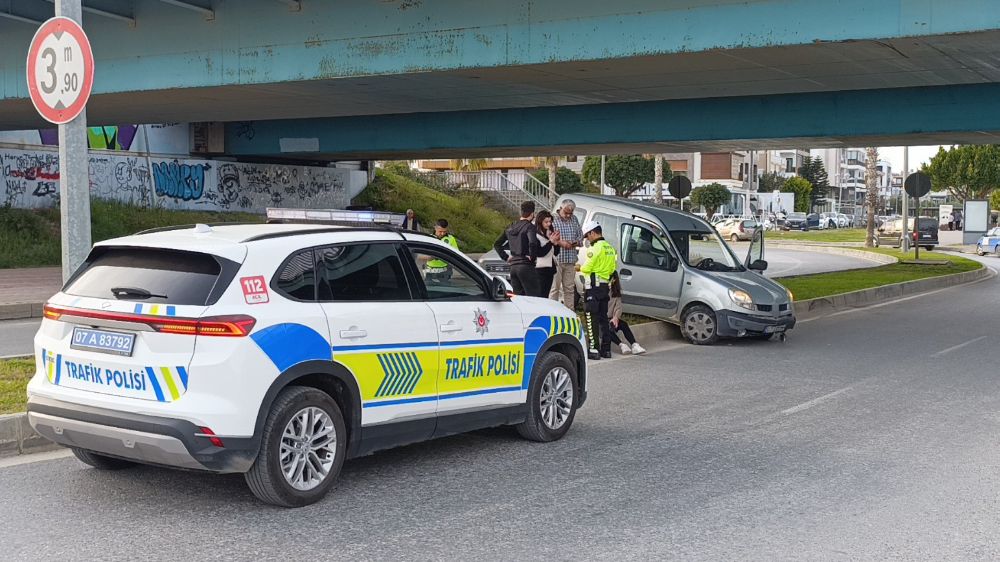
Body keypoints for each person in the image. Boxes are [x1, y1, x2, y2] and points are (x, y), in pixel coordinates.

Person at [576, 221, 617, 360]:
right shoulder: (610, 248)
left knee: (591, 318)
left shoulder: (595, 248)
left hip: (593, 287)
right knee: (603, 319)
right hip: (605, 287)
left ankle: (593, 349)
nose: (587, 239)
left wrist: (578, 267)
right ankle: (606, 350)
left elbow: (587, 268)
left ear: (593, 233)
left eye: (588, 236)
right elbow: (612, 269)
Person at [495, 201, 540, 296]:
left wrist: (506, 257)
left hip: (513, 267)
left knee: (518, 297)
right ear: (532, 214)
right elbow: (532, 242)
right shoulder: (529, 227)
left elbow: (497, 244)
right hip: (525, 265)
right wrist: (532, 257)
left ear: (521, 212)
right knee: (534, 297)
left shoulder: (510, 227)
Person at [549, 200, 583, 309]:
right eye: (566, 212)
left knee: (569, 288)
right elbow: (547, 236)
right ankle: (551, 312)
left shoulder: (574, 219)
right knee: (554, 288)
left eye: (570, 213)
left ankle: (570, 312)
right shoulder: (552, 219)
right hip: (557, 259)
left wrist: (575, 243)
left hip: (570, 259)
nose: (568, 215)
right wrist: (560, 242)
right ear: (561, 208)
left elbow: (580, 236)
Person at [608, 272, 646, 355]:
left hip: (612, 318)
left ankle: (634, 345)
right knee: (605, 328)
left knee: (624, 324)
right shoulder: (601, 291)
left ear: (614, 280)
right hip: (602, 319)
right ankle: (621, 345)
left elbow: (618, 307)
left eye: (609, 279)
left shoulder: (615, 292)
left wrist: (615, 318)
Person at [534, 210, 561, 298]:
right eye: (546, 222)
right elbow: (540, 253)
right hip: (539, 269)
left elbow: (555, 253)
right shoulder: (535, 235)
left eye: (550, 221)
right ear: (540, 222)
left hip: (550, 269)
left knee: (546, 295)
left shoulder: (550, 233)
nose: (549, 224)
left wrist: (556, 243)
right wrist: (550, 242)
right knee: (540, 295)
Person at [425, 219, 459, 283]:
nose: (442, 233)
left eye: (445, 231)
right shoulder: (428, 238)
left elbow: (456, 254)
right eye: (440, 231)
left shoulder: (451, 239)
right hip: (430, 270)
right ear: (435, 228)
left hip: (445, 270)